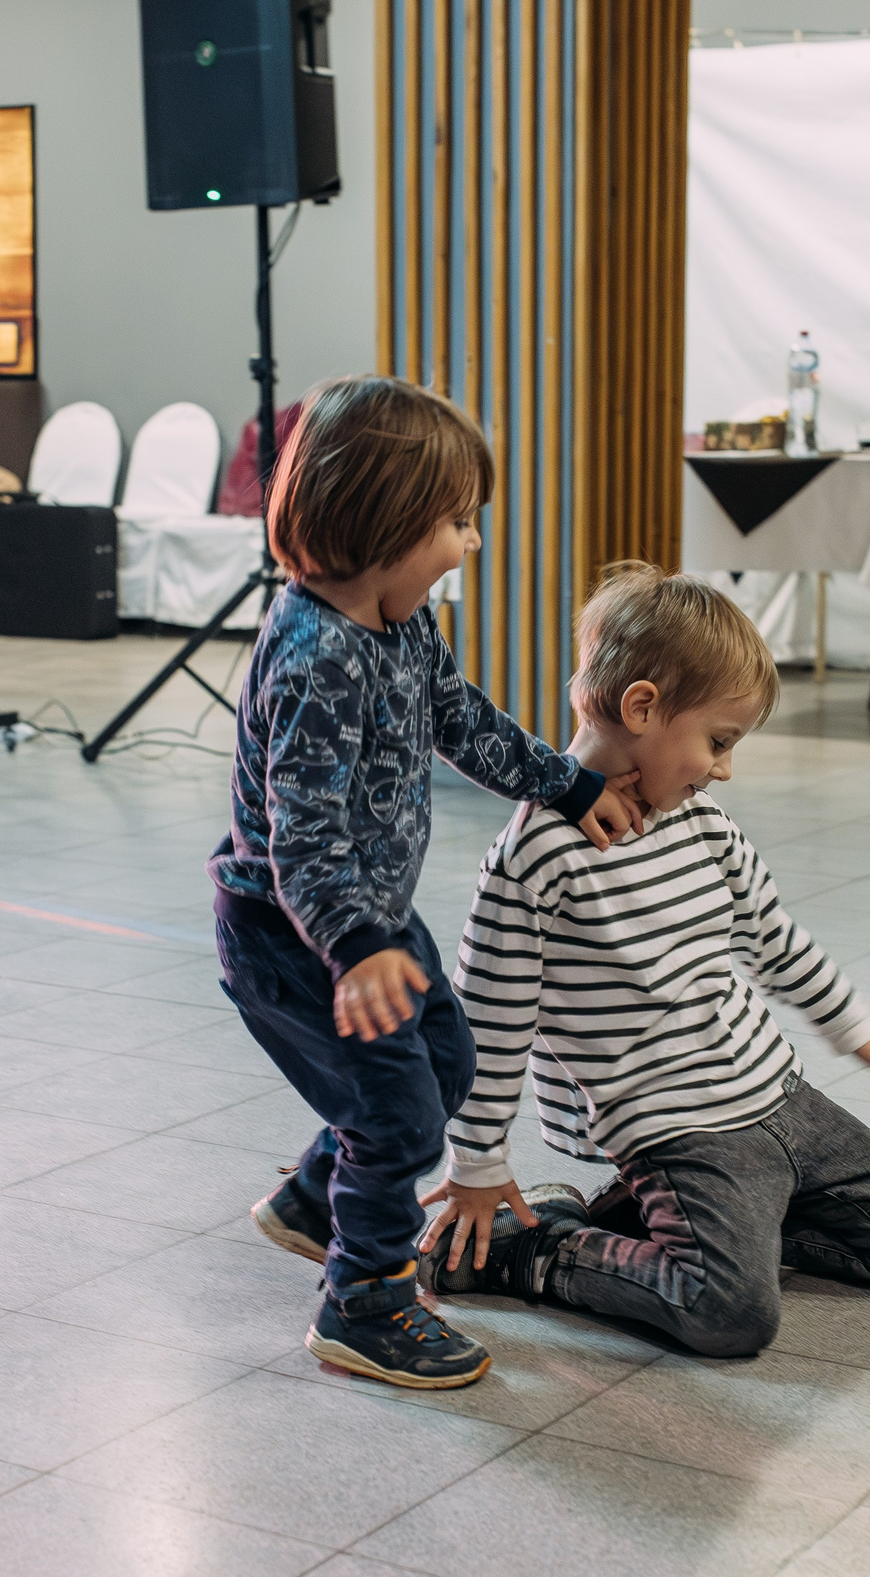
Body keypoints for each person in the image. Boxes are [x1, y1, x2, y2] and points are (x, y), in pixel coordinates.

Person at [221, 374, 646, 1391]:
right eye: (456, 522)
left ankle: (315, 1199)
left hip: (367, 920)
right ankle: (362, 1302)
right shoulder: (315, 658)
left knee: (447, 1066)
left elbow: (460, 719)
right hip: (300, 936)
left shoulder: (398, 625)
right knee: (401, 1118)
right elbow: (303, 837)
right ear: (382, 524)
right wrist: (356, 947)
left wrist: (566, 783)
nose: (471, 543)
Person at [419, 562, 870, 1357]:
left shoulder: (704, 823)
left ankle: (690, 1228)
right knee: (728, 1313)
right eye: (719, 741)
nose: (724, 767)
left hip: (776, 1092)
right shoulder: (536, 854)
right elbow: (489, 1028)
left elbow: (774, 938)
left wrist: (855, 1031)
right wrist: (477, 1162)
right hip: (677, 1127)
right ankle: (534, 1249)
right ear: (642, 707)